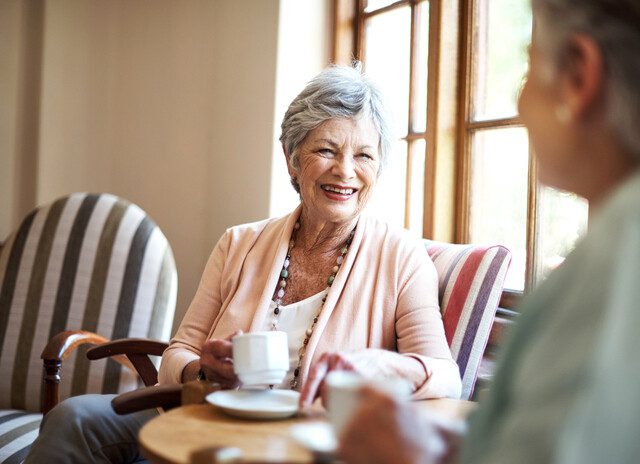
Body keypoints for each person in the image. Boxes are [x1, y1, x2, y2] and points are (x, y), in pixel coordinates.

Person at [25, 64, 461, 463]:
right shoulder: (239, 243)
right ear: (293, 160)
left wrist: (382, 366)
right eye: (327, 150)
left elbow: (445, 376)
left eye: (364, 156)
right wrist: (203, 369)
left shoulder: (401, 257)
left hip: (309, 441)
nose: (345, 171)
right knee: (74, 418)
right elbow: (179, 352)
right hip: (209, 417)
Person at [338, 0, 640, 463]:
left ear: (579, 78)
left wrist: (408, 456)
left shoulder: (612, 267)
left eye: (528, 66)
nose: (519, 103)